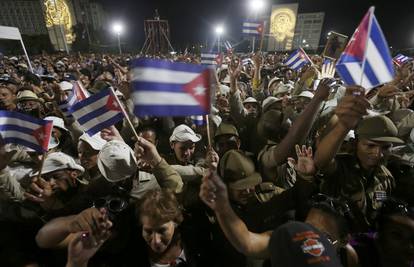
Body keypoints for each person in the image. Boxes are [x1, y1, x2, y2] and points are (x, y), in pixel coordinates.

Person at [315, 86, 404, 230]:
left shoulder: (386, 178)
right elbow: (321, 161)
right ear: (355, 143)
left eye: (386, 147)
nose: (378, 154)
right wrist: (343, 126)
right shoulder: (342, 167)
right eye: (370, 146)